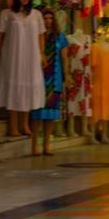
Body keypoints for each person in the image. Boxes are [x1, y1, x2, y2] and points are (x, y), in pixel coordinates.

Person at [0, 0, 45, 139]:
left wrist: (42, 54)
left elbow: (41, 35)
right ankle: (13, 125)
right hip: (13, 56)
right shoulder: (7, 14)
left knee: (28, 88)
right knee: (14, 89)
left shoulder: (36, 15)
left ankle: (25, 124)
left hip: (31, 56)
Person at [31, 9, 67, 156]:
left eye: (50, 18)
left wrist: (67, 76)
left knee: (51, 114)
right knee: (37, 113)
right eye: (45, 18)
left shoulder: (60, 38)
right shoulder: (37, 36)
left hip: (55, 77)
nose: (48, 21)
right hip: (39, 77)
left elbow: (64, 59)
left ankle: (46, 144)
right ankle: (34, 144)